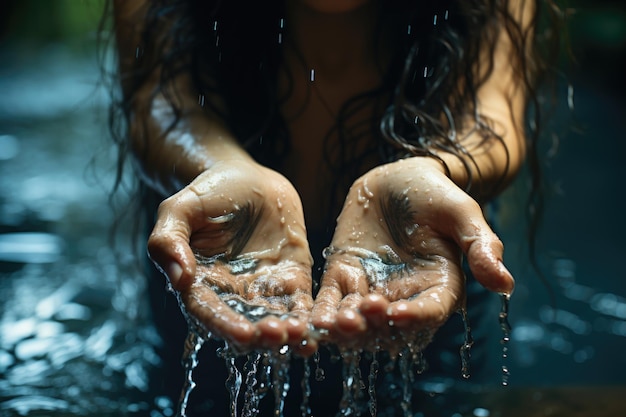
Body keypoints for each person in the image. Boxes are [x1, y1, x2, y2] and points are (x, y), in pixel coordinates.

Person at [109, 0, 559, 415]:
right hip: (220, 247)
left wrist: (434, 170)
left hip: (422, 244)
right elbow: (159, 98)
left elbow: (492, 109)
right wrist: (220, 169)